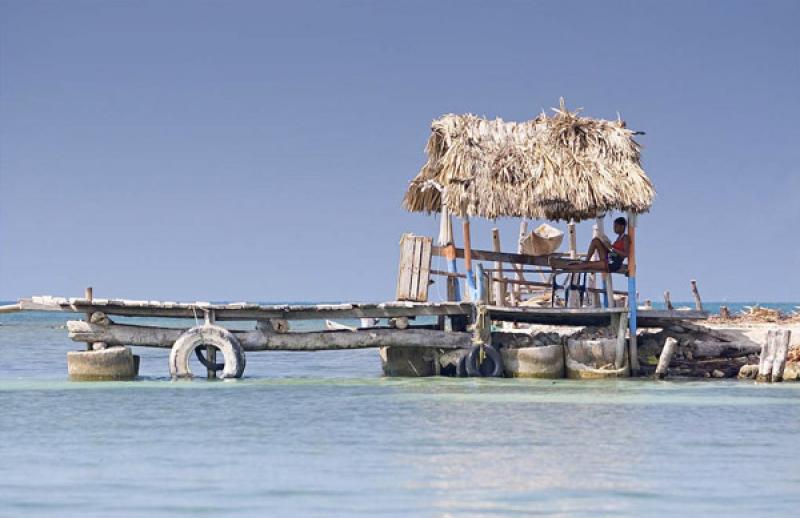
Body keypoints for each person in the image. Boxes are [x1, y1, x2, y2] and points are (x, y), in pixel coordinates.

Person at [551, 217, 629, 272]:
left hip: (613, 263)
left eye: (616, 226)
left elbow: (625, 254)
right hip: (609, 257)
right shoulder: (618, 238)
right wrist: (608, 246)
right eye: (614, 226)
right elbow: (612, 250)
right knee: (596, 240)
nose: (614, 228)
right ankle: (586, 260)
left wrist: (612, 248)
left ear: (622, 227)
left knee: (587, 266)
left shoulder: (625, 238)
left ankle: (560, 266)